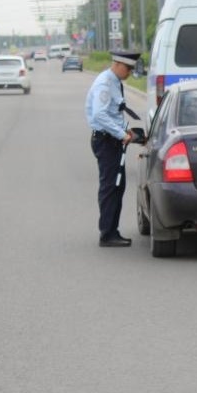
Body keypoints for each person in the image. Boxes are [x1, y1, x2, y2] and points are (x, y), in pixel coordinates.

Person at [85, 50, 141, 248]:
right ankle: (107, 234)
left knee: (117, 187)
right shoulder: (105, 84)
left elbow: (114, 114)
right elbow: (100, 115)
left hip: (112, 140)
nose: (129, 73)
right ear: (117, 64)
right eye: (127, 68)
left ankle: (111, 230)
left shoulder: (115, 81)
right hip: (106, 141)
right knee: (111, 187)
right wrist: (122, 134)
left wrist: (127, 132)